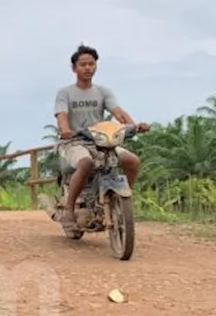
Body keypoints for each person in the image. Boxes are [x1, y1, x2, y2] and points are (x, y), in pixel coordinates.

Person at [52, 44, 150, 236]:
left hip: (102, 141)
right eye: (83, 64)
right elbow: (61, 115)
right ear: (74, 68)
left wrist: (133, 125)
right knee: (86, 162)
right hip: (76, 142)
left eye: (92, 64)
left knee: (132, 161)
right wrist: (65, 130)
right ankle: (70, 210)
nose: (88, 68)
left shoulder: (103, 92)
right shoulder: (65, 93)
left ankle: (121, 200)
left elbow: (118, 112)